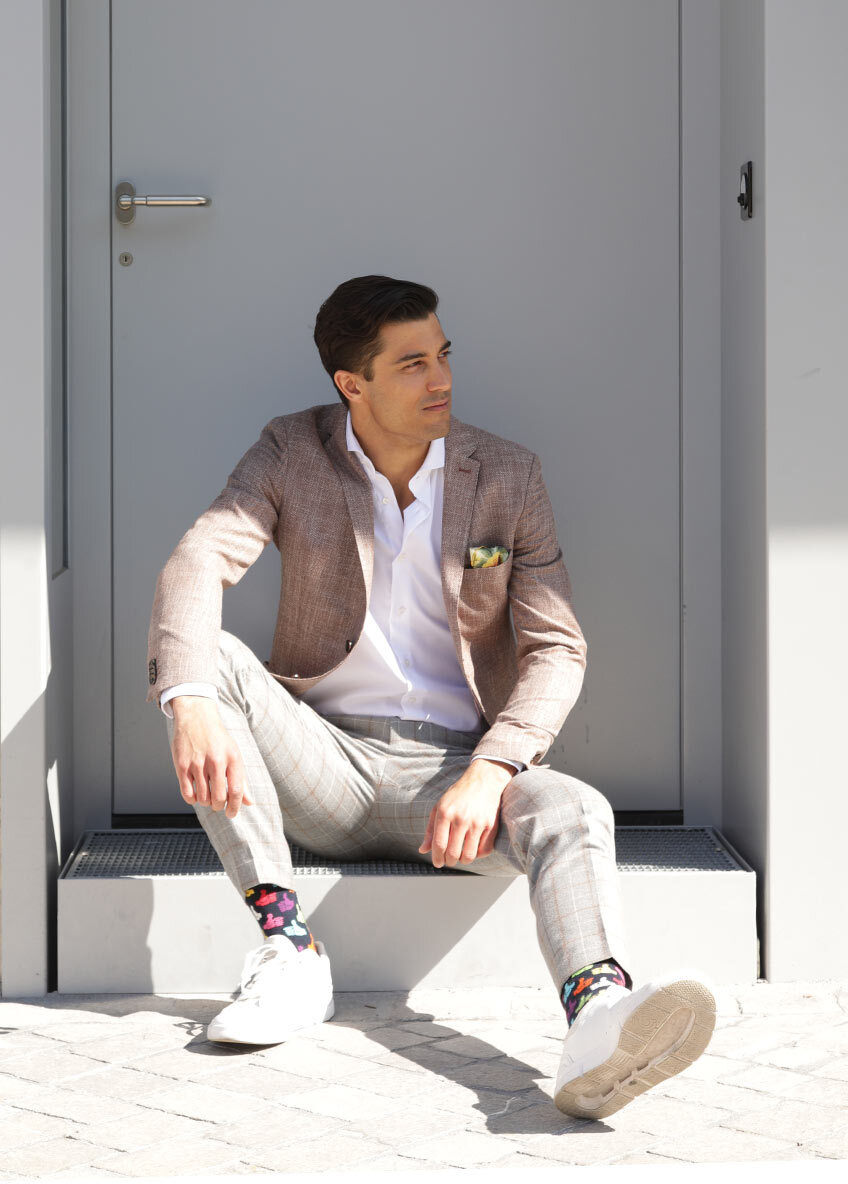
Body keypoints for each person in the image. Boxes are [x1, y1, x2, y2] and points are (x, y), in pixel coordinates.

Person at [146, 274, 716, 1120]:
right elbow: (200, 558)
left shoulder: (507, 475)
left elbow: (558, 646)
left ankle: (597, 1017)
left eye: (443, 355)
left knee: (574, 807)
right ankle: (289, 950)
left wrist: (493, 769)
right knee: (209, 664)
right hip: (324, 762)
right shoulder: (292, 450)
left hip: (454, 781)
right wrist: (189, 702)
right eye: (413, 364)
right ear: (353, 384)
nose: (441, 378)